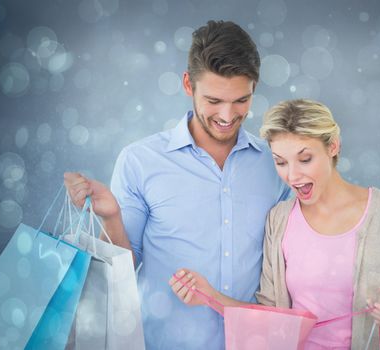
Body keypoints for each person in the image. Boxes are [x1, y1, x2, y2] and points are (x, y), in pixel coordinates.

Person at [64, 20, 290, 349]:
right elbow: (122, 273)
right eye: (214, 100)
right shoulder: (140, 161)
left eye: (241, 100)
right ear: (188, 84)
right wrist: (111, 217)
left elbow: (290, 260)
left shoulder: (275, 164)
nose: (227, 115)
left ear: (254, 88)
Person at [170, 99, 380, 349]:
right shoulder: (279, 219)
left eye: (305, 159)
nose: (292, 175)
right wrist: (209, 296)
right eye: (280, 162)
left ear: (333, 147)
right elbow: (269, 314)